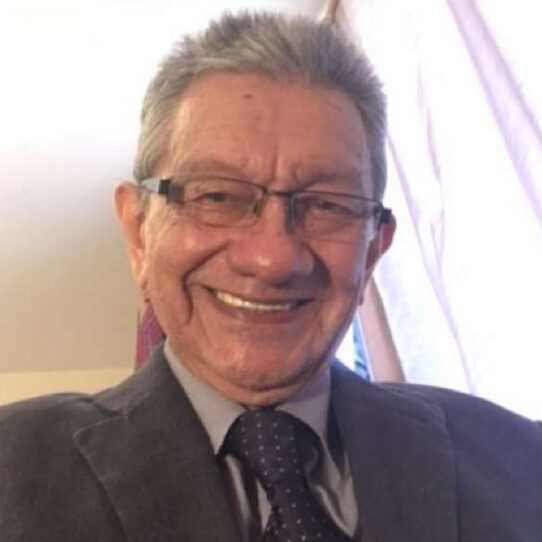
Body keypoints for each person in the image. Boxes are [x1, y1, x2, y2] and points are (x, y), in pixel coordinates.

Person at [1, 11, 541, 542]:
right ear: (139, 232)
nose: (273, 258)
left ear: (373, 252)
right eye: (217, 196)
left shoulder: (522, 459)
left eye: (327, 204)